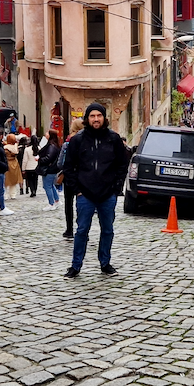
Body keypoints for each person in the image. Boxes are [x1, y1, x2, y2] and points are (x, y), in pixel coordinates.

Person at [62, 103, 130, 278]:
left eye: (99, 116)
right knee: (82, 230)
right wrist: (76, 189)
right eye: (92, 116)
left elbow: (122, 165)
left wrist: (116, 188)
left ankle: (105, 263)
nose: (96, 119)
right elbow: (68, 167)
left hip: (108, 194)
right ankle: (76, 265)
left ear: (104, 118)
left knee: (107, 230)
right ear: (87, 119)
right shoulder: (78, 140)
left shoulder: (113, 139)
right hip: (85, 194)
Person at [56, 119, 84, 239]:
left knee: (69, 204)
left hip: (69, 176)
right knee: (82, 203)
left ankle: (69, 229)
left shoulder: (67, 143)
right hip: (83, 176)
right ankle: (82, 228)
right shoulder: (86, 141)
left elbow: (60, 163)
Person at [37, 130, 61, 211]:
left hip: (49, 169)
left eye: (47, 133)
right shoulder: (53, 145)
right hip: (53, 169)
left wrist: (40, 159)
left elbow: (49, 158)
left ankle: (51, 203)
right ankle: (56, 200)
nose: (45, 134)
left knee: (47, 186)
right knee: (51, 185)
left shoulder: (51, 146)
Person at [3, 134, 23, 199]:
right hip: (14, 163)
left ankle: (5, 195)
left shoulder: (5, 148)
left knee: (6, 180)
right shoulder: (15, 147)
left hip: (7, 163)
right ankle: (13, 194)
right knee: (13, 180)